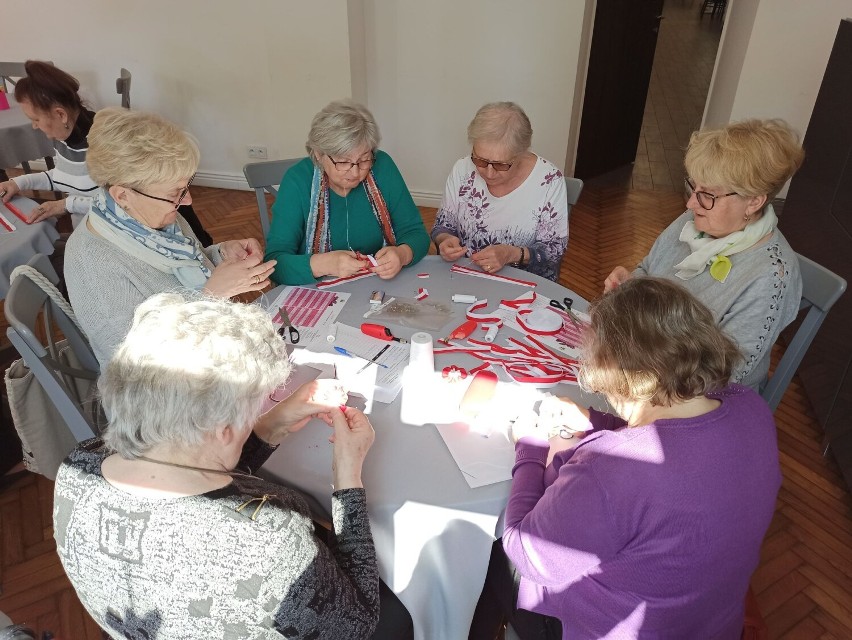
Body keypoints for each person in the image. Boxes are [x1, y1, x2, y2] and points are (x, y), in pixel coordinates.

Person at [53, 293, 414, 639]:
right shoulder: (267, 537)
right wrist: (347, 479)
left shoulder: (80, 464)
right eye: (253, 407)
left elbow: (197, 469)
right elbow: (358, 624)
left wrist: (272, 423)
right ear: (223, 430)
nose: (256, 412)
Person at [469, 277, 781, 640]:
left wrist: (530, 447)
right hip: (710, 622)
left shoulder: (611, 469)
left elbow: (527, 553)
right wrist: (593, 421)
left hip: (608, 629)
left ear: (617, 374)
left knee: (489, 553)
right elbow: (675, 435)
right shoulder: (750, 406)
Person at [64, 107, 273, 367]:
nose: (187, 200)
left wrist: (221, 254)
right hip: (164, 391)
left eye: (187, 185)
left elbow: (183, 264)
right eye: (176, 192)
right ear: (122, 195)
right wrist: (212, 294)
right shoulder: (93, 264)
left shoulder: (151, 215)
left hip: (210, 347)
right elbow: (135, 364)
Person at [604, 118, 805, 390]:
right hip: (643, 354)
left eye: (708, 194)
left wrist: (639, 373)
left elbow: (726, 374)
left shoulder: (770, 277)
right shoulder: (691, 220)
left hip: (698, 394)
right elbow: (648, 270)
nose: (690, 203)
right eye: (693, 187)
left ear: (754, 201)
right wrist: (630, 283)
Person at [0, 60, 212, 244]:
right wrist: (18, 183)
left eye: (36, 120)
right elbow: (66, 177)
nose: (34, 127)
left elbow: (123, 204)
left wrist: (65, 205)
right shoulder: (65, 137)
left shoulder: (102, 146)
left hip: (119, 234)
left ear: (60, 115)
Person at [264, 99, 430, 285]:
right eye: (343, 162)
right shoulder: (297, 181)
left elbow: (416, 233)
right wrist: (325, 264)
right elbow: (275, 264)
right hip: (316, 291)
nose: (355, 172)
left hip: (377, 285)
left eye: (364, 160)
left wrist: (402, 254)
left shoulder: (383, 166)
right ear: (318, 154)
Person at [431, 102, 569, 282]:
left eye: (500, 165)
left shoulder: (549, 181)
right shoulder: (462, 169)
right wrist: (444, 240)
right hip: (465, 276)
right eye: (480, 160)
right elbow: (443, 225)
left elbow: (554, 250)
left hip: (526, 288)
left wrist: (511, 254)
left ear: (521, 153)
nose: (488, 172)